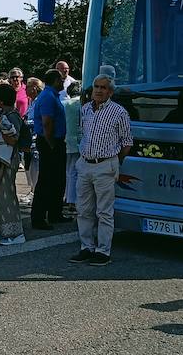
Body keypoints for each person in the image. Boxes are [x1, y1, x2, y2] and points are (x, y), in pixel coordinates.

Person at [72, 74, 133, 266]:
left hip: (105, 165)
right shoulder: (85, 110)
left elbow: (127, 142)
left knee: (104, 212)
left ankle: (103, 251)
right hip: (85, 164)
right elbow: (83, 134)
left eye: (103, 88)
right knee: (83, 209)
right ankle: (86, 247)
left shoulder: (119, 112)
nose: (98, 90)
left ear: (110, 92)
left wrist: (114, 162)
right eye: (96, 87)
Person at [0, 82, 27, 245]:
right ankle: (3, 229)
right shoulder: (6, 114)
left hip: (6, 159)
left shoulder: (11, 116)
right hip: (1, 158)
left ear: (1, 101)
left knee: (6, 195)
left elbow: (12, 139)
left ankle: (15, 232)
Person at [30, 71, 66, 229]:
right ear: (56, 80)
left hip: (55, 140)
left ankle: (55, 213)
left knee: (57, 180)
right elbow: (47, 123)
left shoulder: (52, 96)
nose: (63, 82)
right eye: (61, 79)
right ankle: (38, 218)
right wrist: (51, 142)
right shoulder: (48, 97)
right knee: (46, 180)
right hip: (50, 141)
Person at [62, 80, 83, 217]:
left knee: (68, 171)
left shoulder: (64, 104)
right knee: (75, 172)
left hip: (65, 140)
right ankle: (73, 201)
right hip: (78, 141)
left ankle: (68, 199)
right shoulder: (82, 104)